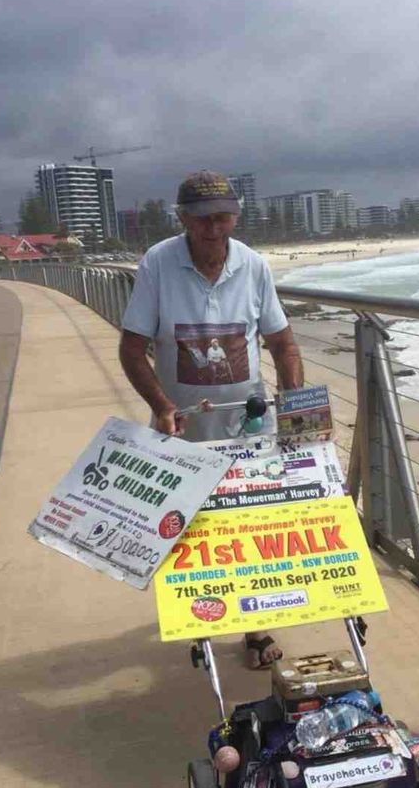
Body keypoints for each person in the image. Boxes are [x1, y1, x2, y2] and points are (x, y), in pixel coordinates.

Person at [119, 170, 304, 669]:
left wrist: (298, 407)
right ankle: (202, 619)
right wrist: (162, 406)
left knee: (249, 528)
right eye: (200, 218)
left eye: (222, 216)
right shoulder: (158, 264)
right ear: (182, 218)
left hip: (250, 429)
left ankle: (255, 627)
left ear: (236, 217)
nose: (213, 227)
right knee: (190, 533)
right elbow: (133, 350)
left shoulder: (254, 265)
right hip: (183, 430)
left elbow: (283, 343)